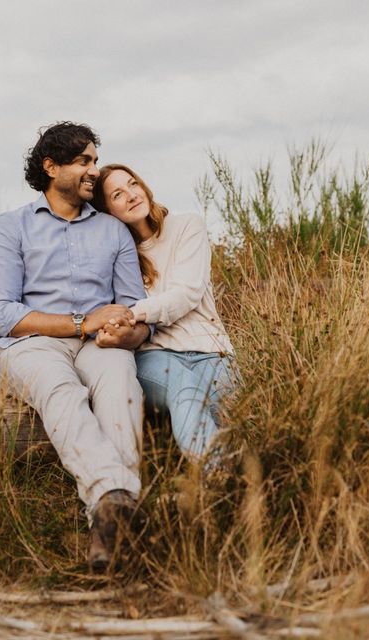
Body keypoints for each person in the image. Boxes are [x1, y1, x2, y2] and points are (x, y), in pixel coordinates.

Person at [0, 123, 151, 571]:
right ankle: (116, 497)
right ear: (51, 167)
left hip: (101, 343)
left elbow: (136, 309)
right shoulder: (11, 227)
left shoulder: (113, 233)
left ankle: (111, 525)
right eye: (83, 161)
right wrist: (81, 322)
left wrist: (130, 333)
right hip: (34, 344)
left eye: (95, 160)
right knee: (60, 388)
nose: (93, 169)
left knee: (119, 380)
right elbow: (0, 314)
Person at [92, 164, 235, 465]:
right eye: (118, 194)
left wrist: (133, 313)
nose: (131, 195)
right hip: (156, 356)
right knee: (185, 389)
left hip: (213, 350)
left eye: (133, 184)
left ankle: (218, 480)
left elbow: (187, 294)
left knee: (231, 411)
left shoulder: (187, 226)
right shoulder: (119, 255)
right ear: (107, 211)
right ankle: (221, 478)